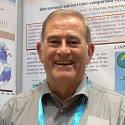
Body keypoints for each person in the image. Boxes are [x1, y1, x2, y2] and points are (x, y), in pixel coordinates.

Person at [0, 9, 125, 125]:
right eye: (54, 42)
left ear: (89, 53)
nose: (63, 50)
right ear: (40, 52)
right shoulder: (11, 111)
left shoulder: (118, 110)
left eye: (73, 42)